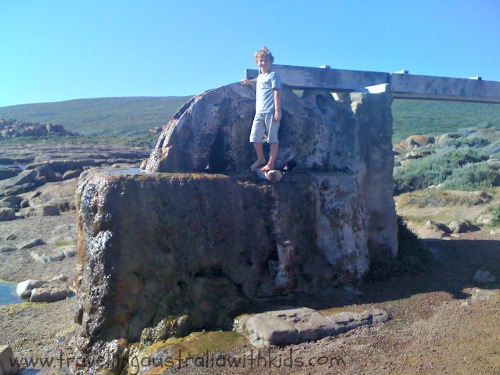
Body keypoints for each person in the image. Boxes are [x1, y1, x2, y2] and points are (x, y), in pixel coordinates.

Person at [241, 47, 282, 172]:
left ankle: (270, 163)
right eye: (261, 61)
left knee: (272, 138)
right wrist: (250, 84)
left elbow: (276, 92)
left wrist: (277, 110)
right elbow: (260, 90)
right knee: (254, 137)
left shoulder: (273, 75)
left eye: (266, 61)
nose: (263, 63)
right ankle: (261, 159)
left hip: (270, 111)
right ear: (257, 62)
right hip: (259, 112)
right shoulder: (259, 78)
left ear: (270, 62)